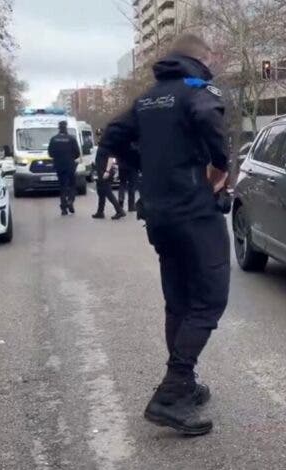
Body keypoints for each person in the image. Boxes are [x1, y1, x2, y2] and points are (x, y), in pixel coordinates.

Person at [99, 33, 230, 436]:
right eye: (211, 57)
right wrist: (220, 166)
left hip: (159, 213)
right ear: (202, 58)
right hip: (194, 211)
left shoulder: (146, 98)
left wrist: (143, 166)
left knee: (178, 301)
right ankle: (172, 391)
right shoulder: (197, 89)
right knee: (209, 300)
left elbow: (111, 134)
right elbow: (209, 120)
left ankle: (184, 386)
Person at [47, 121, 81, 215]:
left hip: (59, 166)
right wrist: (71, 158)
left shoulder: (54, 139)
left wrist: (58, 157)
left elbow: (50, 153)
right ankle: (70, 201)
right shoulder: (71, 139)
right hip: (70, 165)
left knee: (62, 186)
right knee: (72, 185)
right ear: (66, 128)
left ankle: (63, 208)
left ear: (59, 128)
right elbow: (77, 153)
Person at [91, 146, 126, 220]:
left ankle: (119, 210)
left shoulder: (107, 145)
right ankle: (100, 212)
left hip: (105, 172)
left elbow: (110, 158)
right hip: (101, 172)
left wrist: (107, 171)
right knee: (101, 191)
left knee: (108, 192)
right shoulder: (103, 145)